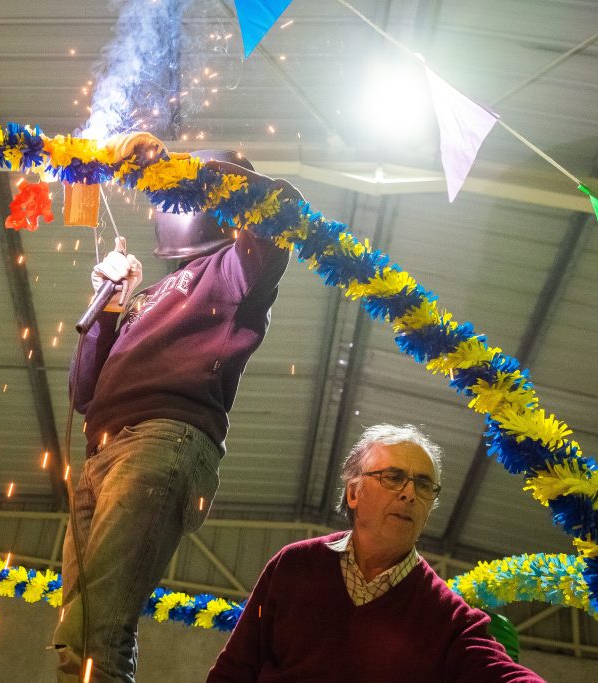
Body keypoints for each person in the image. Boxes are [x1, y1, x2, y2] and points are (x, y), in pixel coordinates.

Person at [53, 136, 302, 682]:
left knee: (97, 632)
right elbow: (84, 395)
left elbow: (280, 209)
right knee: (79, 637)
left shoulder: (234, 271)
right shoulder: (147, 296)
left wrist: (179, 166)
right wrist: (109, 308)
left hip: (164, 441)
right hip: (101, 453)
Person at [207, 424, 545, 682]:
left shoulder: (448, 618)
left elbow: (501, 674)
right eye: (393, 477)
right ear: (354, 493)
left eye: (424, 485)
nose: (409, 493)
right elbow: (235, 669)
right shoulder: (294, 565)